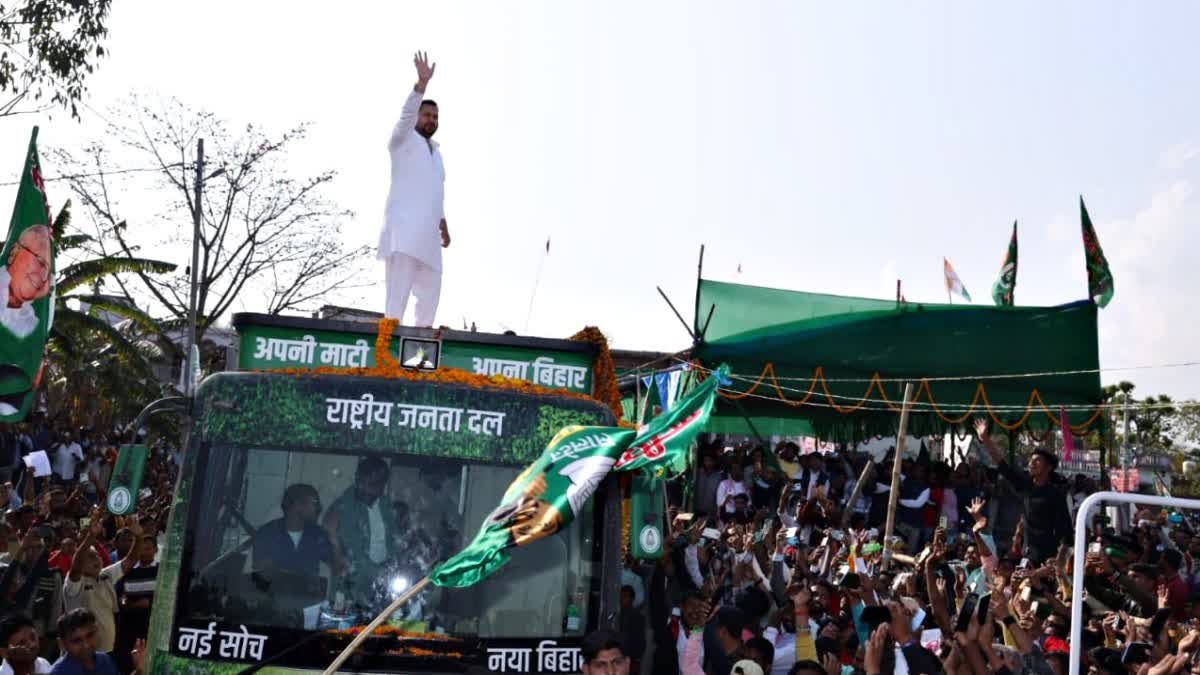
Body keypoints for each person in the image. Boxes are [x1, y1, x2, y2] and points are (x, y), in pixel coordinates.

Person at [379, 51, 450, 327]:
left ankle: (419, 358)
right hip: (403, 234)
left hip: (429, 239)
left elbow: (434, 191)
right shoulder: (402, 141)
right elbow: (406, 116)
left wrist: (443, 223)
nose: (431, 120)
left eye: (435, 116)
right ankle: (386, 358)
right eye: (426, 114)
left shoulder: (437, 154)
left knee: (430, 295)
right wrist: (420, 86)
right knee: (396, 302)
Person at [975, 419, 1070, 565]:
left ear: (1048, 467)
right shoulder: (1026, 485)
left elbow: (1067, 533)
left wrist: (1059, 560)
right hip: (1027, 555)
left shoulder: (1056, 495)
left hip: (1048, 558)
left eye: (1037, 461)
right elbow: (1002, 466)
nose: (1031, 463)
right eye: (1031, 460)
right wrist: (985, 439)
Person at [323, 457, 397, 606]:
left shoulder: (386, 505)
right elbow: (354, 551)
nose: (364, 489)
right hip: (352, 583)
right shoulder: (345, 505)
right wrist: (381, 576)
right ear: (357, 478)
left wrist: (394, 566)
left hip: (381, 583)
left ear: (383, 485)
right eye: (361, 482)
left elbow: (394, 541)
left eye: (371, 485)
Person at [253, 483, 340, 578]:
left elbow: (338, 568)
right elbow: (263, 575)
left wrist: (333, 536)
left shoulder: (318, 534)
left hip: (309, 592)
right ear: (298, 505)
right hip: (275, 591)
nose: (320, 508)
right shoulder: (267, 533)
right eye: (315, 503)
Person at [0, 225, 52, 339]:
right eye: (40, 261)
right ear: (14, 251)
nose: (43, 277)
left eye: (48, 273)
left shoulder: (31, 325)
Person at [49, 609, 122, 675]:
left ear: (96, 630)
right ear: (62, 644)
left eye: (90, 635)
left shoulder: (105, 660)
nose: (86, 645)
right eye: (76, 641)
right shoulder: (59, 672)